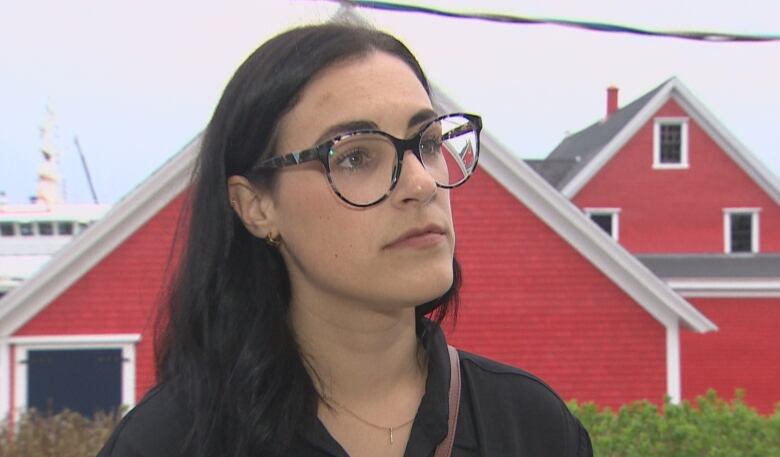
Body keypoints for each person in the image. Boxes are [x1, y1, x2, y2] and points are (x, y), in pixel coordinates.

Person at [96, 22, 592, 457]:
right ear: (256, 206)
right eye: (355, 157)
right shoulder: (169, 442)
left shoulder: (532, 428)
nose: (420, 183)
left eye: (428, 143)